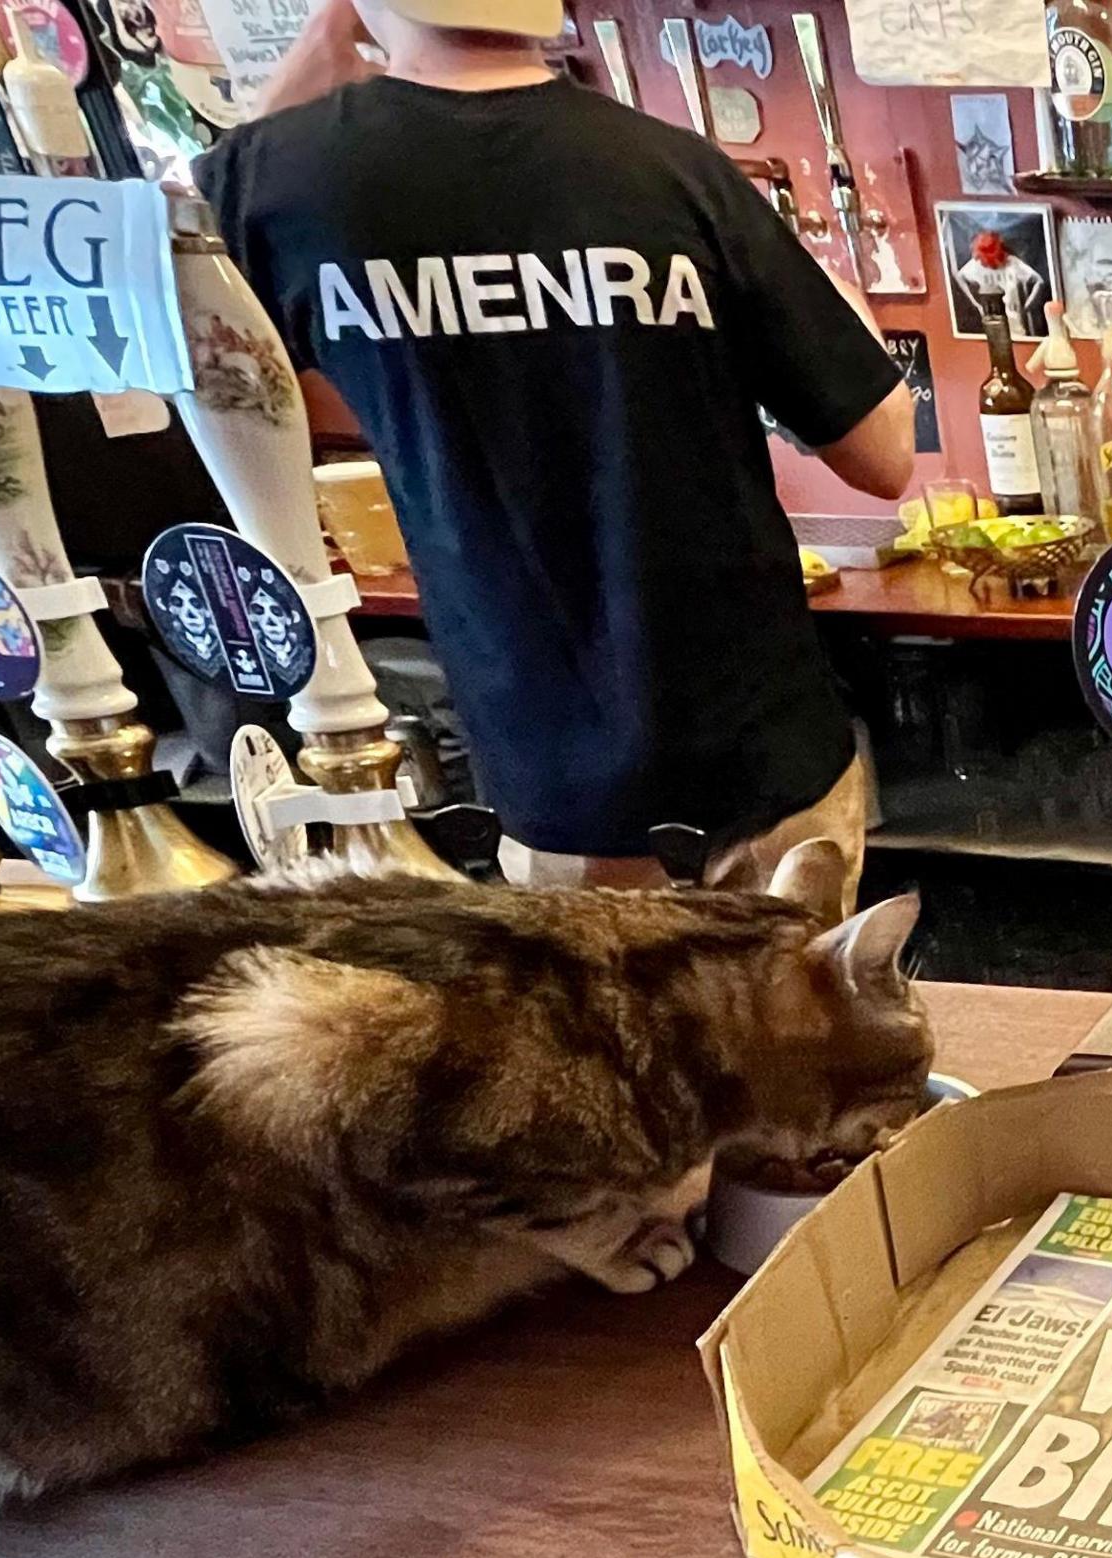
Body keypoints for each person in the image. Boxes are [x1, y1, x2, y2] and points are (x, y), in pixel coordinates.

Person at [202, 0, 916, 899]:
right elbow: (884, 453)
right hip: (759, 756)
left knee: (598, 1042)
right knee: (813, 1035)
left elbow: (207, 281)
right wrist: (822, 291)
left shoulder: (280, 183)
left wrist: (330, 35)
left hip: (549, 772)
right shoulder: (671, 170)